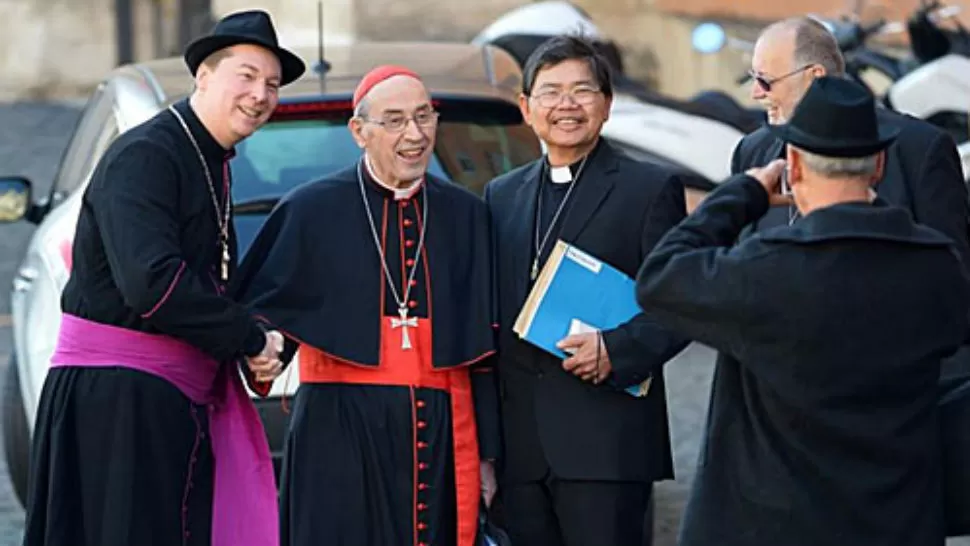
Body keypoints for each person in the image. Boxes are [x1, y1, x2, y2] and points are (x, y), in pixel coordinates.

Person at [637, 75, 970, 546]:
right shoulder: (935, 264)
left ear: (792, 163)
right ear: (877, 165)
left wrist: (743, 195)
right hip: (898, 521)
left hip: (780, 524)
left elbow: (660, 277)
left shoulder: (766, 268)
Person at [21, 10, 305, 546]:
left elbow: (216, 277)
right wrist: (246, 337)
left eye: (271, 85)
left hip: (165, 396)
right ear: (203, 75)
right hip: (120, 401)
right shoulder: (148, 155)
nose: (261, 94)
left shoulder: (210, 157)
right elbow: (153, 282)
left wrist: (260, 337)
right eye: (246, 75)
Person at [230, 65, 501, 546]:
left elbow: (484, 352)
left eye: (424, 117)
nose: (414, 134)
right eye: (395, 120)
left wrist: (488, 455)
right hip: (337, 431)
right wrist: (263, 348)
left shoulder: (467, 215)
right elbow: (265, 314)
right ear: (360, 132)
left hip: (436, 431)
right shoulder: (310, 210)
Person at [483, 35, 689, 546]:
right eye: (551, 93)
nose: (567, 106)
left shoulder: (649, 188)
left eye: (582, 91)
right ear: (527, 109)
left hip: (607, 449)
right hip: (521, 454)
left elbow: (682, 301)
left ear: (607, 104)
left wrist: (617, 349)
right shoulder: (500, 195)